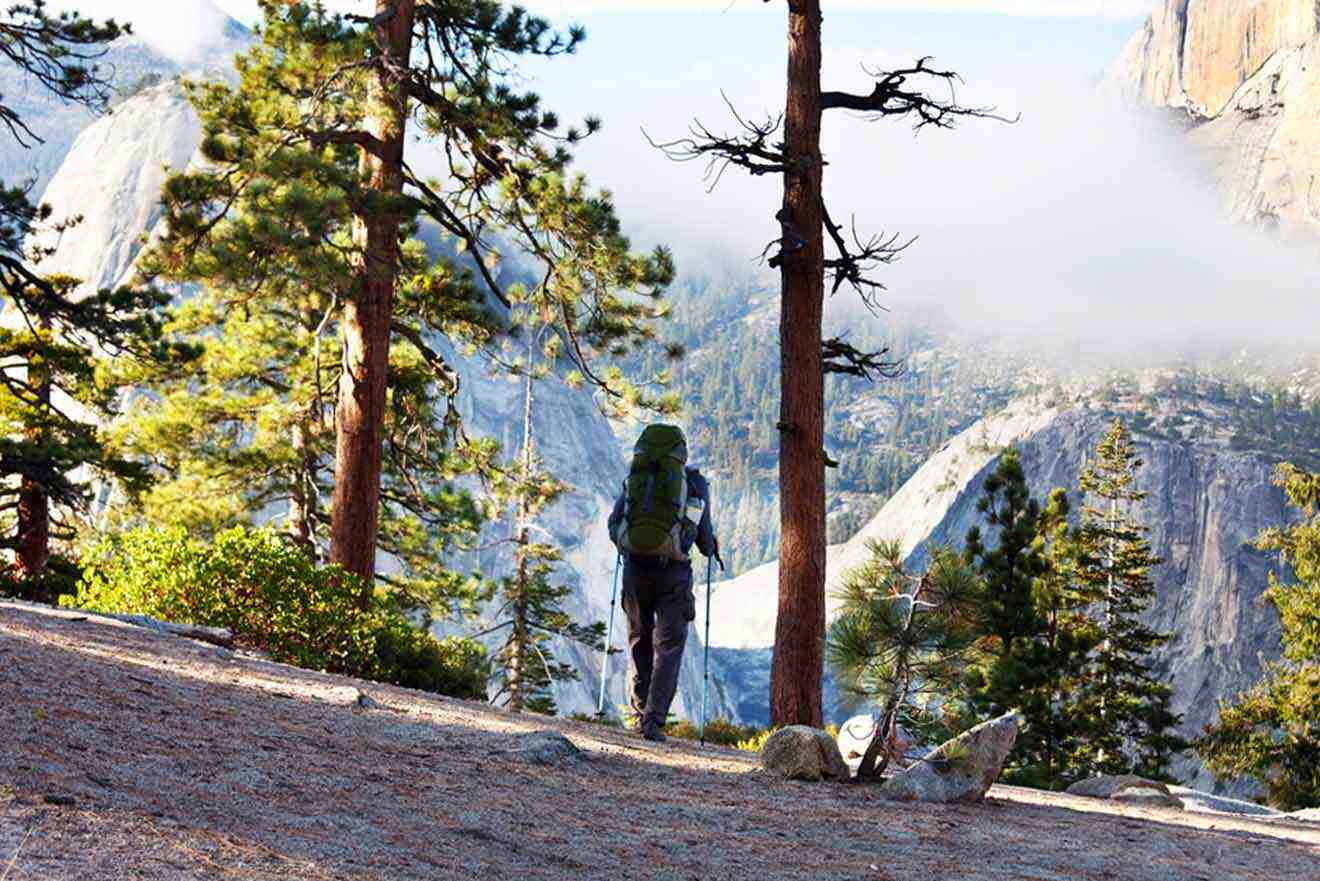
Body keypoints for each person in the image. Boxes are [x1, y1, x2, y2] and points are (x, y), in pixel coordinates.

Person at [607, 424, 720, 742]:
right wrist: (709, 546)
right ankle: (653, 723)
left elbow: (614, 523)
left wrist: (626, 544)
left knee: (638, 640)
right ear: (680, 453)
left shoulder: (635, 480)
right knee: (668, 648)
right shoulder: (694, 483)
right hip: (673, 575)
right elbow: (704, 539)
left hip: (635, 571)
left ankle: (638, 712)